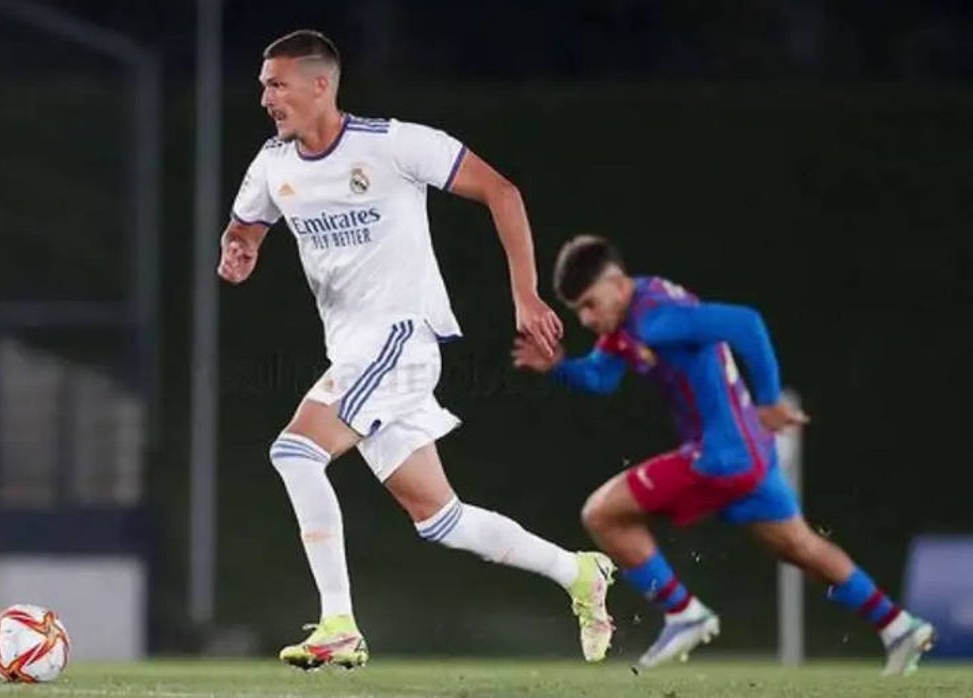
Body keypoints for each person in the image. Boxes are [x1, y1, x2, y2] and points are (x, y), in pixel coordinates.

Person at [218, 29, 614, 669]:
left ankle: (338, 622)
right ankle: (578, 573)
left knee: (294, 451)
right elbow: (246, 226)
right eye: (264, 84)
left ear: (321, 85)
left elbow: (501, 191)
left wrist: (526, 295)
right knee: (440, 519)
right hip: (354, 354)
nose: (266, 97)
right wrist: (241, 251)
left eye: (277, 83)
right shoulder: (272, 165)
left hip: (401, 337)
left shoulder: (394, 144)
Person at [511, 234, 935, 674]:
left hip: (720, 456)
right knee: (799, 545)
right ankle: (898, 625)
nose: (585, 318)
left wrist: (769, 399)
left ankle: (682, 612)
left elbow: (747, 323)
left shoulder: (656, 317)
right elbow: (600, 378)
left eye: (589, 304)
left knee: (602, 513)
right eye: (578, 309)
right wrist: (560, 367)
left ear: (617, 284)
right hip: (749, 452)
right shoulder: (630, 318)